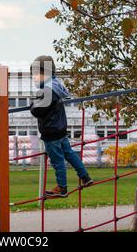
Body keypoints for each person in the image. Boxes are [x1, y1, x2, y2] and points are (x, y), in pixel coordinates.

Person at [29, 55, 93, 198]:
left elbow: (36, 110)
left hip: (51, 131)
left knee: (57, 161)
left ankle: (62, 188)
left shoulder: (47, 90)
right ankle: (85, 176)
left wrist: (32, 104)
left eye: (35, 74)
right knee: (69, 154)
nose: (33, 77)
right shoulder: (56, 84)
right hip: (60, 128)